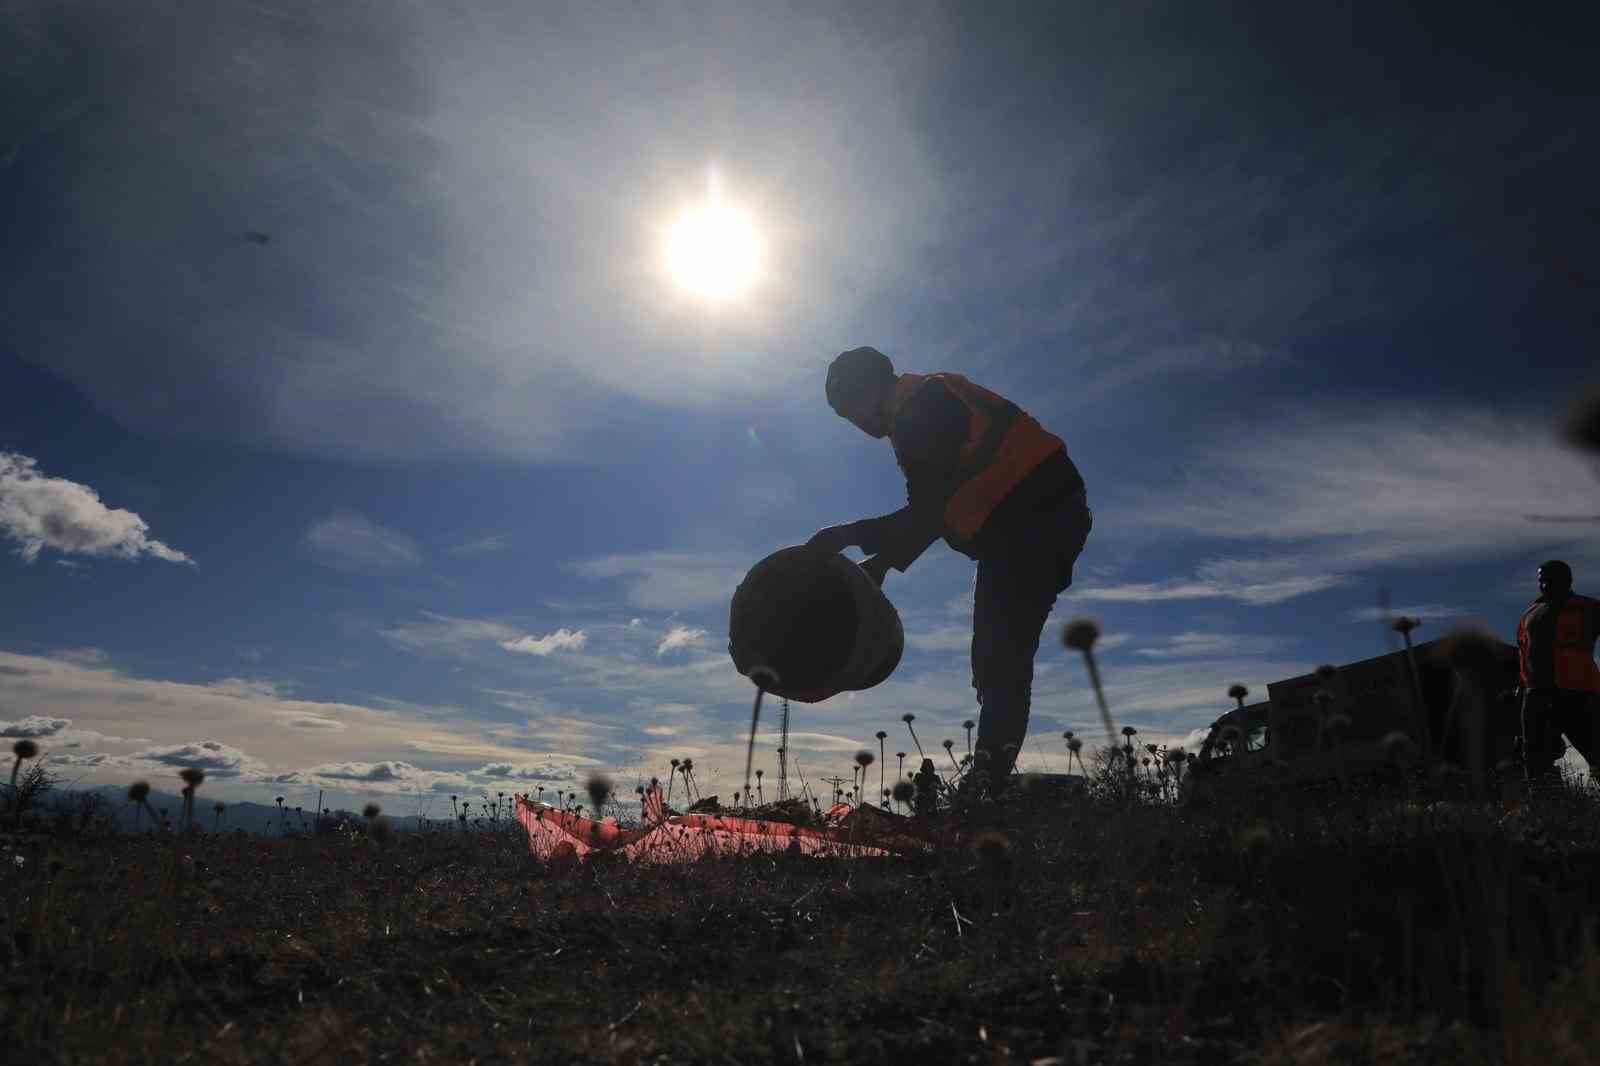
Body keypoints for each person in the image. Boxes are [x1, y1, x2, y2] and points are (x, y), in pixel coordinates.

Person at [808, 346, 1091, 797]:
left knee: (1000, 658)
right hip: (1021, 526)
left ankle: (983, 792)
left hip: (1036, 521)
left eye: (852, 409)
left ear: (872, 386)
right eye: (846, 419)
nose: (858, 425)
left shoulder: (922, 408)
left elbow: (928, 512)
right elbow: (941, 507)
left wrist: (846, 534)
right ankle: (986, 784)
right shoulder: (918, 409)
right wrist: (882, 564)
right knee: (995, 659)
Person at [1515, 559, 1600, 781]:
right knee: (1534, 759)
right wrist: (1521, 687)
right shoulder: (1529, 614)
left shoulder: (1589, 607)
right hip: (1536, 696)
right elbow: (1524, 655)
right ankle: (1543, 807)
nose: (1545, 585)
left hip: (1579, 694)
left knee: (1596, 751)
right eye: (1542, 580)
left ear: (1568, 580)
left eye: (1552, 580)